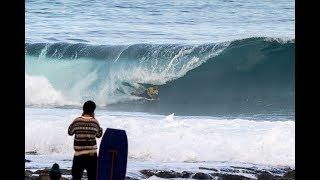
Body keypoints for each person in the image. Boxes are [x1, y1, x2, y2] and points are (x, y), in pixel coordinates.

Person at [68, 100, 103, 180]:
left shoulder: (77, 121)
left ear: (83, 109)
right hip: (92, 155)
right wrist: (100, 128)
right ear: (93, 110)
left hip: (78, 155)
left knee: (76, 177)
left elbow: (70, 132)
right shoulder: (95, 122)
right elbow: (98, 135)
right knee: (92, 177)